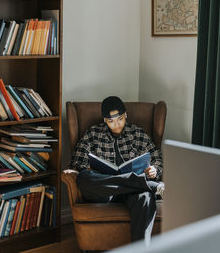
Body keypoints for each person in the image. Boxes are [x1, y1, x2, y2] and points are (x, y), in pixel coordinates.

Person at [68, 96, 164, 245]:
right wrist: (87, 167)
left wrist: (154, 170)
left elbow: (156, 157)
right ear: (105, 120)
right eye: (111, 121)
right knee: (83, 177)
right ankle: (144, 184)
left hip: (133, 192)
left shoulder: (137, 133)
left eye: (119, 119)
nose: (116, 125)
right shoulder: (93, 134)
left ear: (125, 115)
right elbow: (77, 162)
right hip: (105, 192)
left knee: (146, 197)